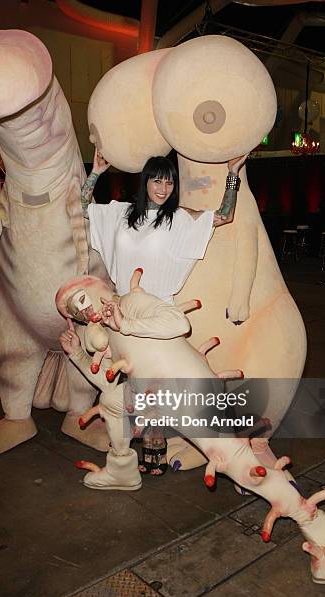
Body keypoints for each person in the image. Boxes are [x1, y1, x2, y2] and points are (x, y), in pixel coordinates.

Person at [80, 148, 247, 474]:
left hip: (157, 316)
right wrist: (96, 172)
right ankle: (138, 451)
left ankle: (160, 448)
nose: (163, 187)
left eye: (169, 182)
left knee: (157, 386)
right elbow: (84, 207)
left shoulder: (179, 220)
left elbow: (223, 215)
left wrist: (232, 174)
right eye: (157, 180)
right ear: (145, 182)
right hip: (123, 312)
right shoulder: (122, 214)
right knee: (136, 386)